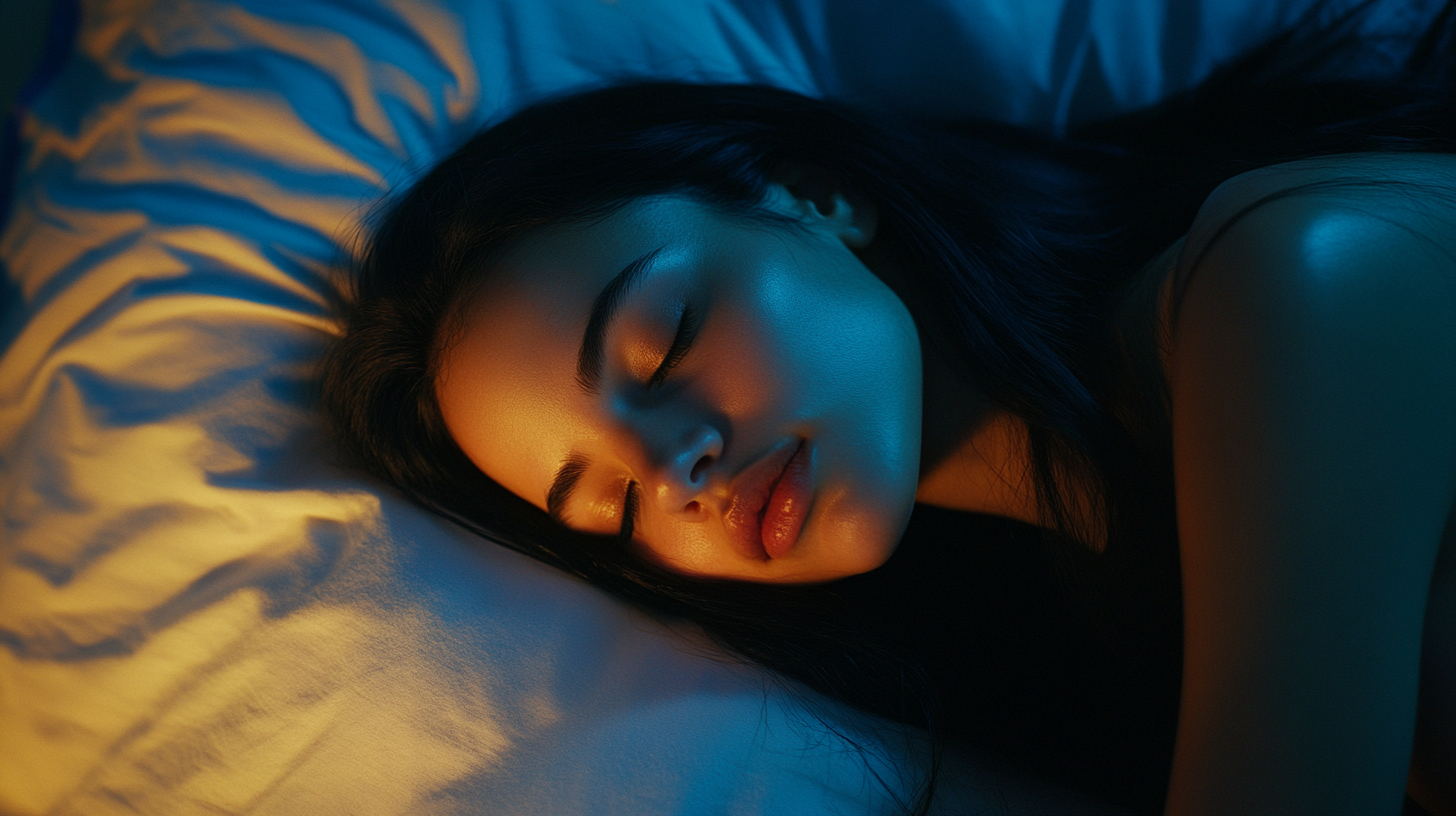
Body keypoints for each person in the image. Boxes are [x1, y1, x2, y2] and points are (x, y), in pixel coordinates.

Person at [320, 0, 1456, 812]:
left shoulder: (1300, 277)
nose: (680, 474)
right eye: (611, 504)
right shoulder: (1093, 655)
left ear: (817, 197)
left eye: (661, 341)